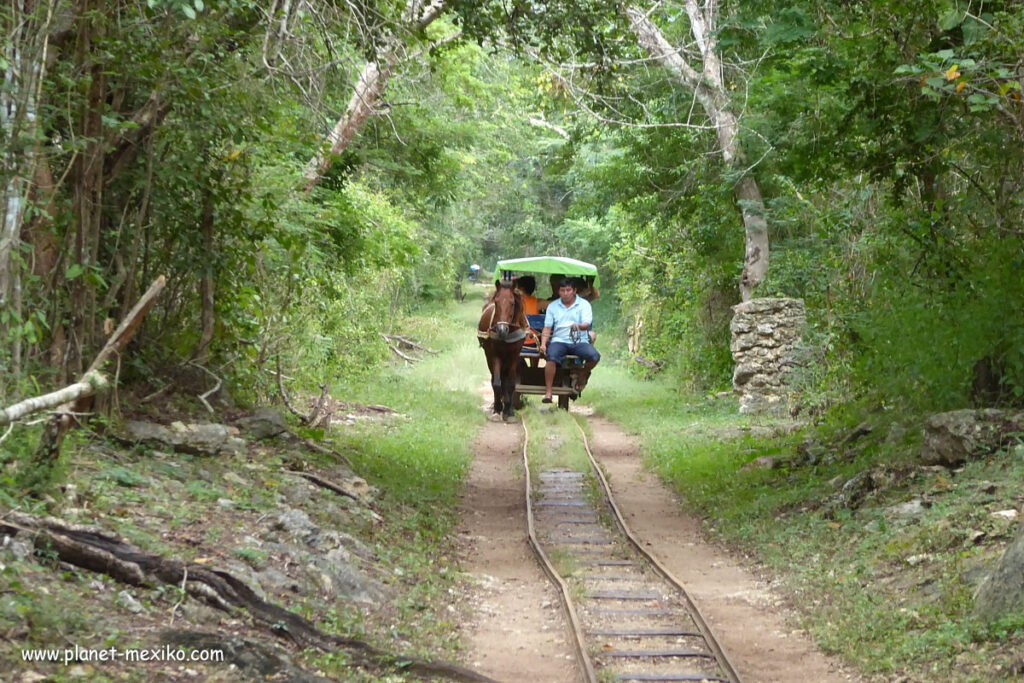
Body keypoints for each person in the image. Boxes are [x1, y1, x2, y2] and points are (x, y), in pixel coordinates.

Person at [539, 277, 600, 402]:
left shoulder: (584, 305)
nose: (565, 293)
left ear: (574, 291)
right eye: (562, 290)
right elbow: (547, 327)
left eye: (568, 290)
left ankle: (582, 373)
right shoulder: (553, 306)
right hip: (559, 340)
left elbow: (587, 324)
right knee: (551, 356)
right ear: (558, 292)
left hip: (579, 341)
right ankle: (548, 392)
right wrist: (543, 344)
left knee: (595, 356)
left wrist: (577, 326)